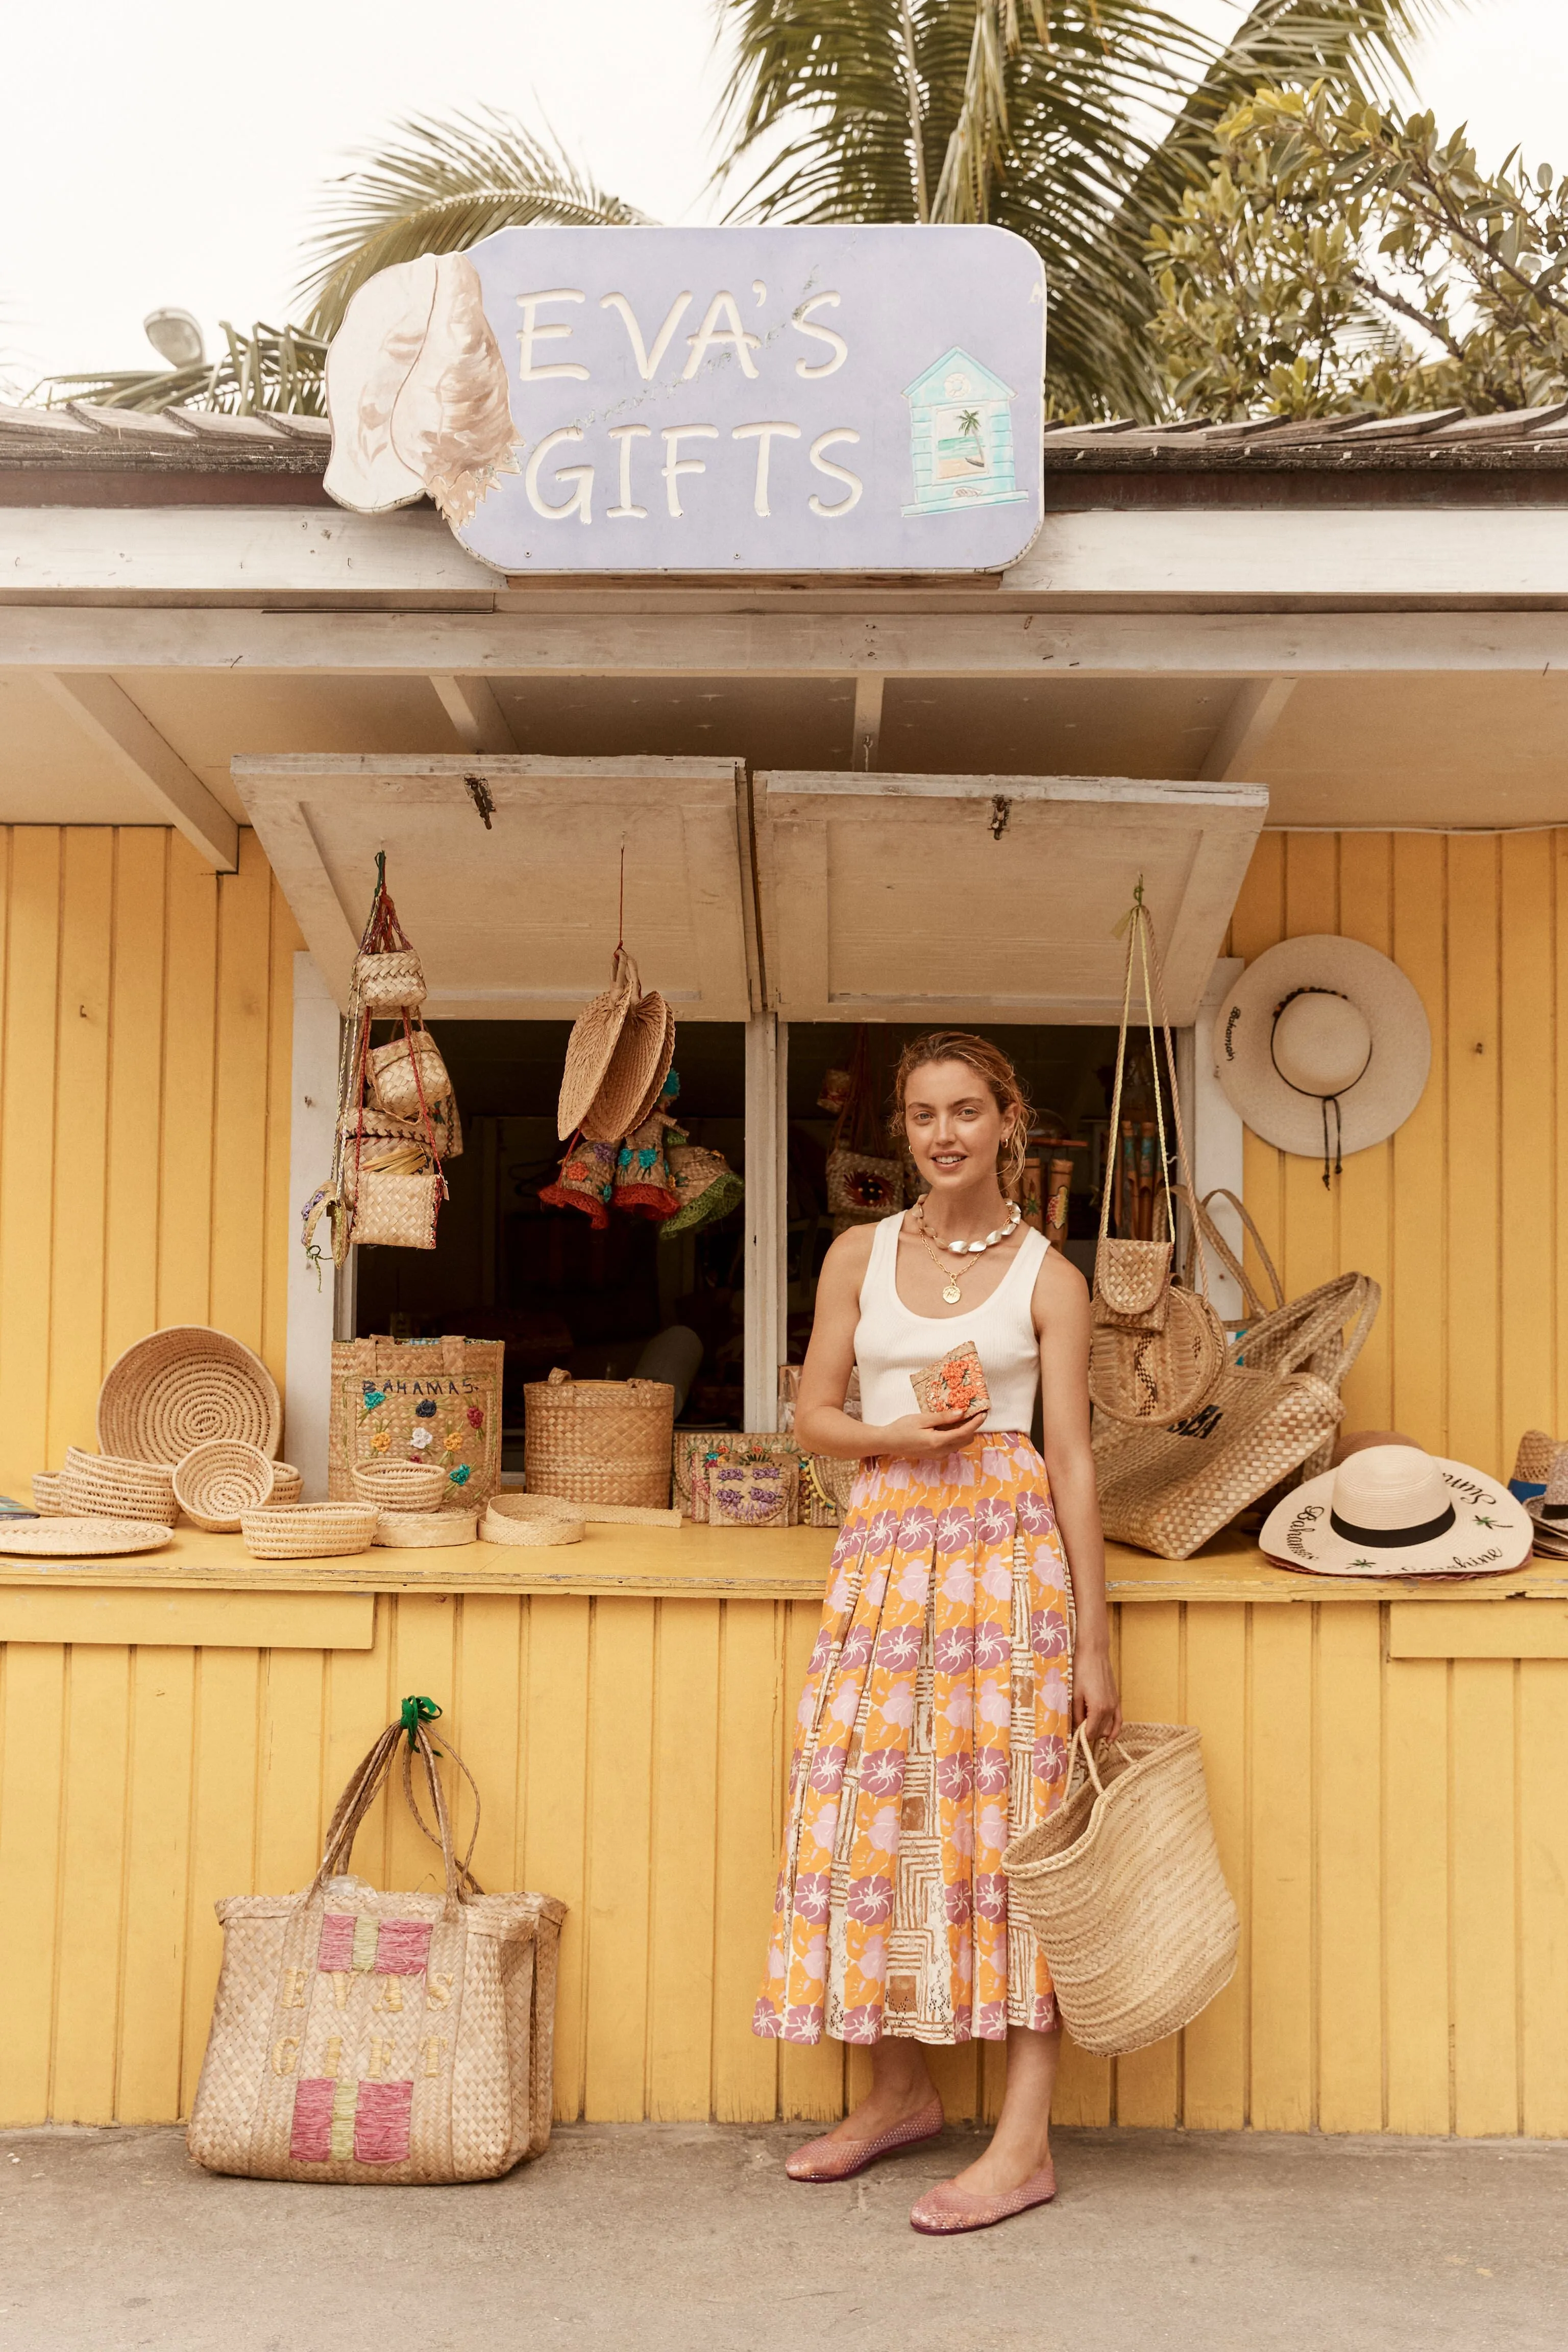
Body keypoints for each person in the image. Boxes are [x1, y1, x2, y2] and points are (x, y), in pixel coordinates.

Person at [753, 1031, 1120, 2235]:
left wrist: (1094, 1644)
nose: (945, 1134)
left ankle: (1024, 2144)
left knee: (1013, 1839)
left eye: (967, 1111)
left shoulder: (1049, 1280)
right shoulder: (858, 1254)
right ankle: (898, 2093)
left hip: (1008, 1575)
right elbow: (812, 1414)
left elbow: (1071, 1461)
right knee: (872, 1814)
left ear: (1010, 1122)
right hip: (884, 1564)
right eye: (922, 1116)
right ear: (902, 1130)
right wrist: (900, 1437)